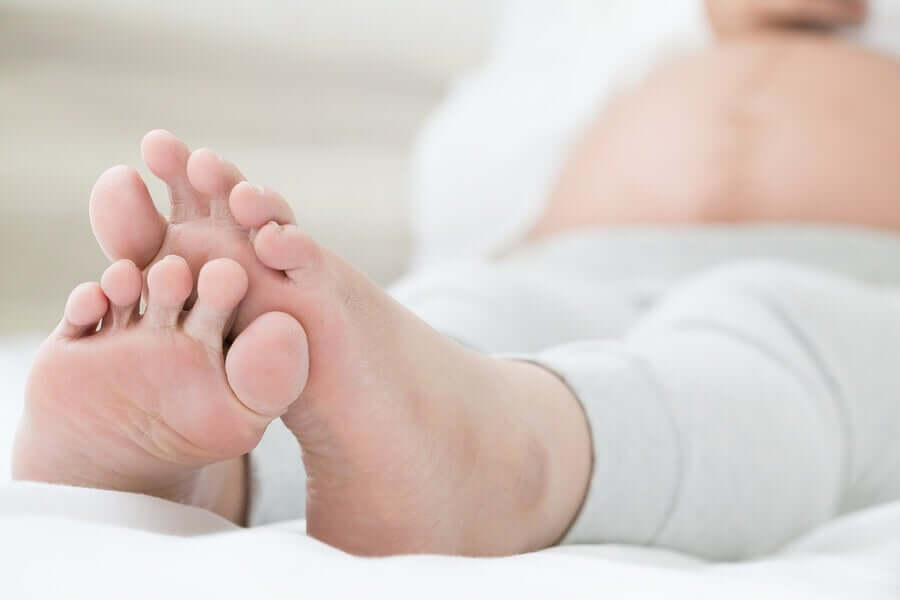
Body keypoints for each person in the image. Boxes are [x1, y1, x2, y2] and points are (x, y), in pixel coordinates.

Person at [11, 0, 900, 560]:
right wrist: (692, 23)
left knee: (767, 341)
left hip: (862, 280)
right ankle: (220, 473)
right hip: (558, 254)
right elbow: (464, 176)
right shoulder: (588, 27)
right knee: (452, 321)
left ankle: (511, 462)